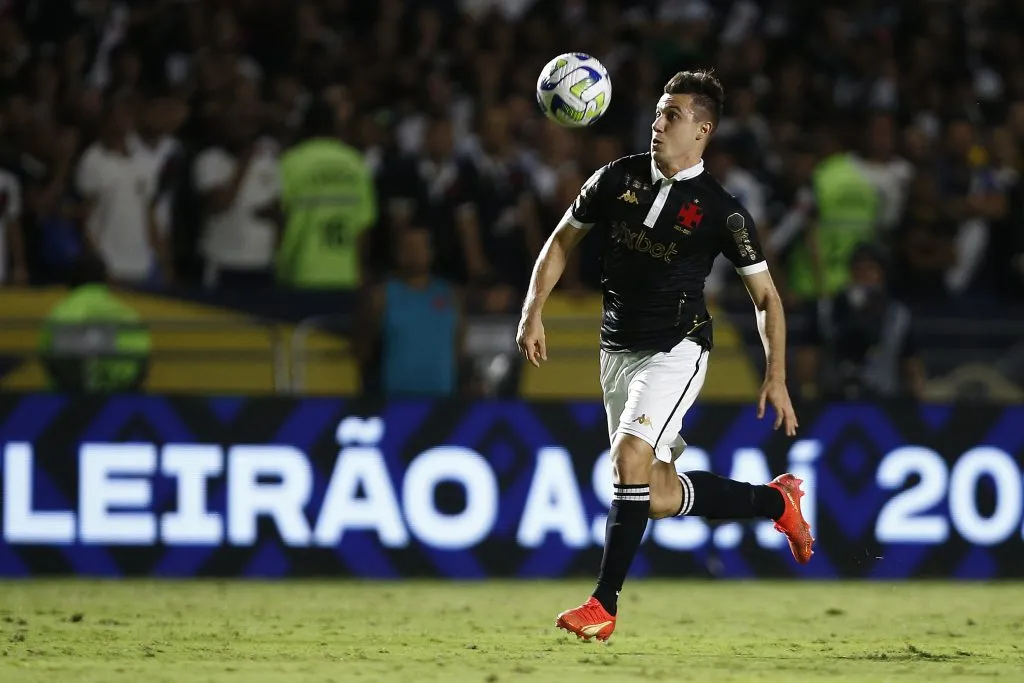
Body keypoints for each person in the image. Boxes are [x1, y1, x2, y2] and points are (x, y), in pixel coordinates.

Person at [516, 70, 813, 642]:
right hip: (616, 350)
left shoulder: (722, 212)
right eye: (656, 113)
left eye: (671, 116)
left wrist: (776, 376)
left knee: (628, 459)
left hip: (677, 348)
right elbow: (560, 242)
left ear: (702, 130)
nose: (657, 124)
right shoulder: (615, 179)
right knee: (651, 494)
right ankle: (776, 502)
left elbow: (766, 298)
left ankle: (603, 606)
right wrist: (533, 311)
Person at [356, 227, 464, 397]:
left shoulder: (451, 295)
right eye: (408, 247)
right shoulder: (381, 296)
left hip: (442, 402)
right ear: (397, 252)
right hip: (395, 400)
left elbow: (459, 347)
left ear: (431, 251)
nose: (414, 253)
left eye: (420, 247)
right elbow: (364, 350)